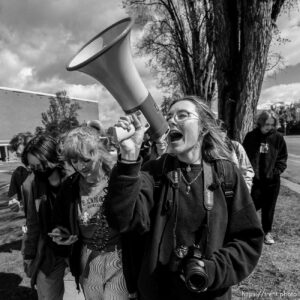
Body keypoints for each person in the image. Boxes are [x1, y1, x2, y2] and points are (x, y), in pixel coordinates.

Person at [105, 95, 264, 300]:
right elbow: (121, 220)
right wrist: (128, 158)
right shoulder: (153, 172)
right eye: (169, 116)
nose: (171, 121)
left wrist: (213, 270)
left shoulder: (227, 174)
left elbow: (247, 240)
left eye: (182, 115)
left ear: (204, 128)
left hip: (209, 293)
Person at [50, 125, 128, 300]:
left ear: (98, 151)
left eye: (85, 159)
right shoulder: (69, 186)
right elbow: (59, 221)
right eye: (74, 160)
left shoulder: (118, 179)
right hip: (88, 257)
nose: (80, 166)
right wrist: (61, 235)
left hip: (119, 257)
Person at [21, 134, 69, 300]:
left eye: (41, 165)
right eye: (32, 167)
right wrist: (29, 254)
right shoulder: (32, 185)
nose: (37, 171)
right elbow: (32, 223)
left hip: (78, 248)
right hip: (49, 252)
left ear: (53, 158)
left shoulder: (74, 179)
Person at [243, 110, 288, 245]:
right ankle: (247, 231)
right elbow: (244, 156)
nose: (269, 126)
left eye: (272, 124)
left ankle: (267, 232)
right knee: (249, 206)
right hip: (255, 180)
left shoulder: (278, 138)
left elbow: (282, 157)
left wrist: (276, 171)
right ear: (260, 122)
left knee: (269, 208)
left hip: (272, 181)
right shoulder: (251, 136)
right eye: (266, 123)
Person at [218, 121, 254, 192]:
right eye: (214, 132)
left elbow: (247, 171)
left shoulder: (236, 146)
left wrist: (245, 190)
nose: (217, 135)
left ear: (225, 132)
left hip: (236, 191)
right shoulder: (206, 150)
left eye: (220, 131)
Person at [7, 132, 33, 213]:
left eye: (25, 154)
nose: (23, 159)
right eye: (19, 155)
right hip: (32, 223)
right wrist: (14, 204)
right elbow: (14, 199)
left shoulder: (47, 171)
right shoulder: (18, 174)